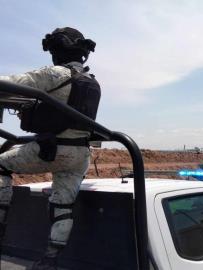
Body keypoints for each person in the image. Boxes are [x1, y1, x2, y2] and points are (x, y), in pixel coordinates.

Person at [0, 27, 101, 269]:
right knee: (62, 205)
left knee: (0, 163)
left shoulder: (54, 74)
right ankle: (51, 258)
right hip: (80, 155)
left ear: (57, 51)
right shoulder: (92, 82)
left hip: (51, 149)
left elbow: (9, 84)